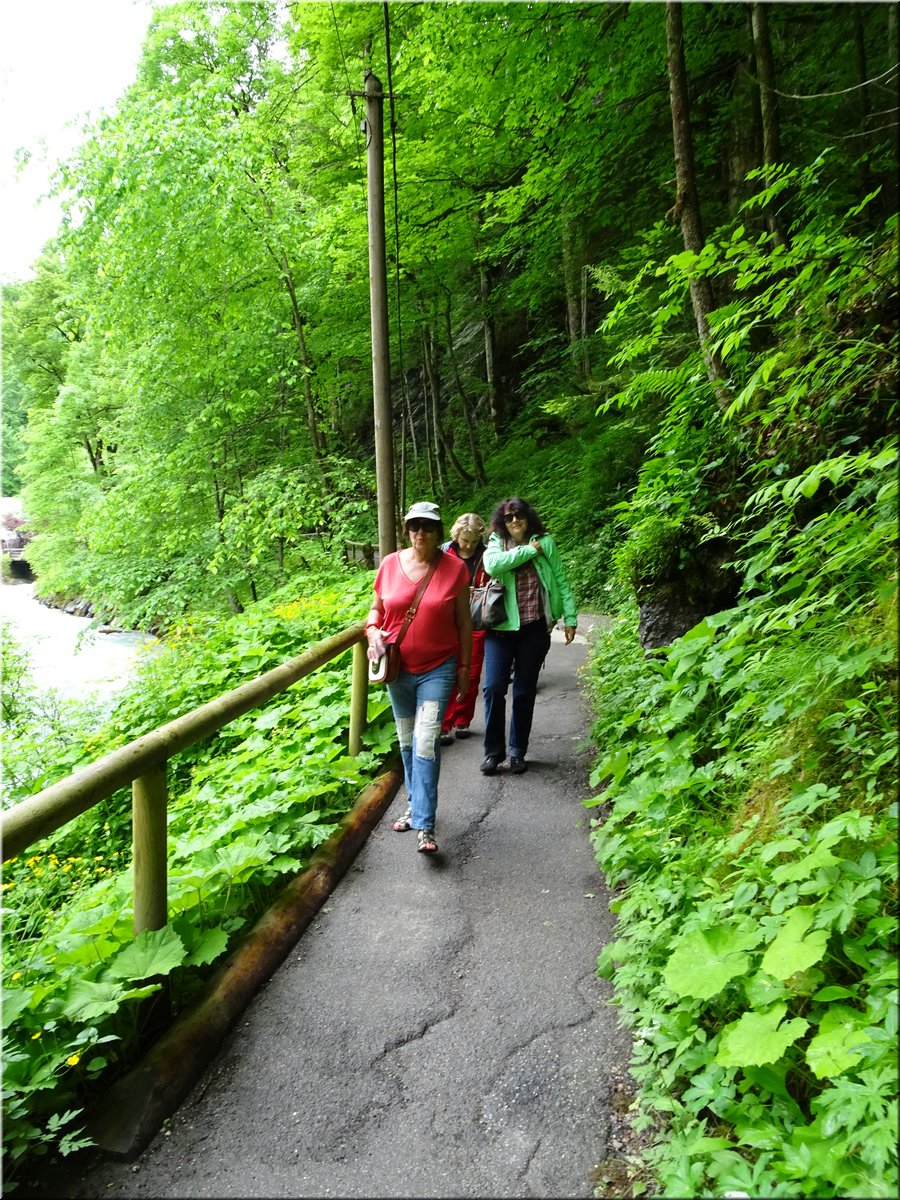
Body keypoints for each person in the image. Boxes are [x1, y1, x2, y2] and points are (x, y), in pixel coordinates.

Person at [364, 501, 473, 854]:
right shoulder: (390, 564)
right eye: (414, 527)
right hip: (398, 668)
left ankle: (425, 825)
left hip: (438, 667)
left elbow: (463, 623)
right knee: (408, 741)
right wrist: (371, 631)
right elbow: (377, 610)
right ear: (406, 530)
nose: (420, 533)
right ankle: (414, 806)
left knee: (426, 741)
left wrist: (464, 670)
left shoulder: (455, 570)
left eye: (427, 527)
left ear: (438, 531)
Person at [480, 497, 577, 776]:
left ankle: (516, 751)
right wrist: (527, 552)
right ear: (502, 521)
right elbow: (493, 566)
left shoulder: (544, 543)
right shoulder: (497, 543)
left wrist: (570, 618)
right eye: (508, 517)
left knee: (523, 691)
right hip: (500, 630)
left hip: (534, 629)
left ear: (528, 517)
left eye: (518, 515)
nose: (514, 521)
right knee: (494, 688)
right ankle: (493, 752)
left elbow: (561, 579)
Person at [440, 512, 489, 746]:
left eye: (473, 541)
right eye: (465, 540)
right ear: (456, 535)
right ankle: (444, 723)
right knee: (447, 671)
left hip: (476, 619)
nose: (468, 545)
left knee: (471, 672)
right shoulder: (443, 553)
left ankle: (462, 720)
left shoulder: (488, 555)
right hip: (447, 621)